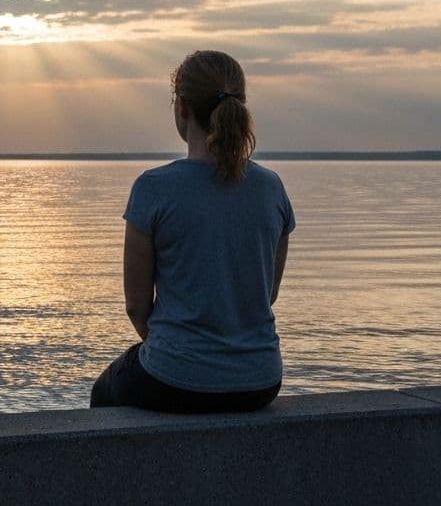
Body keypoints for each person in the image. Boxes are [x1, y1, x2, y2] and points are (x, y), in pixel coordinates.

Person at [90, 50, 293, 412]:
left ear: (181, 107)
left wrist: (180, 356)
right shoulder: (271, 188)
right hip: (261, 380)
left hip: (175, 379)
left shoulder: (153, 188)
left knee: (104, 391)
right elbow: (266, 293)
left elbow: (137, 307)